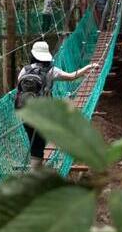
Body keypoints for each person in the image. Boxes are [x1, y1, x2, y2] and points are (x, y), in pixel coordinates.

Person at [15, 41, 99, 170]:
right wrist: (88, 67)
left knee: (34, 143)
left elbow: (20, 88)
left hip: (24, 112)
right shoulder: (52, 70)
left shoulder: (25, 70)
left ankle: (36, 171)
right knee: (39, 145)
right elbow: (71, 76)